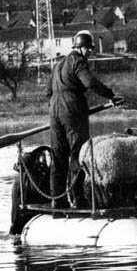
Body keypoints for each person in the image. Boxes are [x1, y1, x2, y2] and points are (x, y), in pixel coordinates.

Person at [47, 30, 121, 208]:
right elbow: (90, 83)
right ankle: (78, 200)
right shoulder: (77, 61)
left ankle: (57, 201)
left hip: (54, 110)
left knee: (58, 156)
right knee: (78, 154)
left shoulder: (58, 65)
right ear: (79, 48)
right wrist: (110, 95)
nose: (89, 52)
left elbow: (47, 92)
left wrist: (57, 107)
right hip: (72, 109)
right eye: (87, 49)